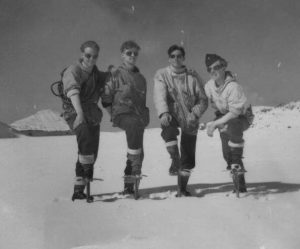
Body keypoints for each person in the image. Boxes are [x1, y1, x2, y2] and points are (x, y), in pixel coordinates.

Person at [153, 44, 208, 196]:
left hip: (189, 117)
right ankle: (174, 159)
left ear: (183, 58)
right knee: (168, 127)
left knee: (188, 153)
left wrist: (195, 114)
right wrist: (164, 112)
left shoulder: (192, 77)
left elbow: (203, 99)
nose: (176, 59)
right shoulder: (162, 74)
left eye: (179, 56)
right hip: (172, 114)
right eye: (172, 56)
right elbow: (159, 95)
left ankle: (182, 188)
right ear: (169, 58)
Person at [62, 41, 109, 201]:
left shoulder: (96, 73)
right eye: (88, 55)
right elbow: (73, 91)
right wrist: (80, 114)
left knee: (91, 152)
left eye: (95, 56)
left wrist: (113, 72)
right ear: (82, 54)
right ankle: (84, 178)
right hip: (75, 111)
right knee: (86, 146)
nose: (91, 59)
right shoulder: (73, 70)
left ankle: (79, 189)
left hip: (93, 114)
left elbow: (108, 79)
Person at [102, 40, 149, 195]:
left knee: (138, 150)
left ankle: (130, 185)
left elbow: (143, 101)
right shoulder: (115, 75)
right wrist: (113, 114)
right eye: (129, 53)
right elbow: (106, 99)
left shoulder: (141, 79)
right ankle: (133, 170)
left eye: (135, 53)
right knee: (134, 140)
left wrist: (145, 116)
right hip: (122, 114)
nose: (132, 56)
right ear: (122, 55)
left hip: (137, 118)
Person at [204, 54, 251, 192]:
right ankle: (239, 182)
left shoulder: (233, 86)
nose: (213, 71)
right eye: (209, 68)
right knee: (227, 154)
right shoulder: (209, 86)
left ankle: (236, 163)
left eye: (217, 67)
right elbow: (201, 96)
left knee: (233, 126)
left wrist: (213, 124)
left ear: (224, 66)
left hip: (241, 117)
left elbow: (235, 113)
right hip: (224, 118)